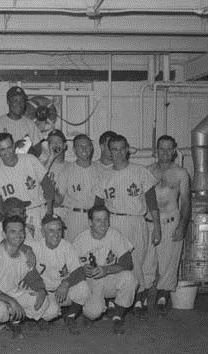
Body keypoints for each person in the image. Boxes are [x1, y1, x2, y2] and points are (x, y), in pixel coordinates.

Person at [93, 135, 161, 319]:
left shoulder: (140, 171)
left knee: (136, 259)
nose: (118, 153)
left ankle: (138, 298)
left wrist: (157, 226)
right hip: (112, 221)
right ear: (109, 151)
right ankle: (115, 300)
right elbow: (98, 204)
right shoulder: (104, 175)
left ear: (127, 149)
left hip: (135, 220)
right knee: (112, 260)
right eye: (114, 149)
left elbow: (152, 202)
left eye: (122, 148)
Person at [142, 135, 191, 316]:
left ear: (174, 151)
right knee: (147, 261)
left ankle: (163, 295)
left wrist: (182, 226)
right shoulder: (147, 171)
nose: (165, 152)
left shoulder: (181, 173)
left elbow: (186, 202)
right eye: (161, 148)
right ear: (156, 150)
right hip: (149, 222)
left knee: (169, 262)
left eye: (169, 149)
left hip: (171, 221)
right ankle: (144, 294)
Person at [73, 205, 138, 335]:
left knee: (130, 278)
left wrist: (107, 269)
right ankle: (89, 312)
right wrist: (82, 270)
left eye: (105, 219)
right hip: (91, 282)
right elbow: (71, 270)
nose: (103, 224)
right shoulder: (80, 240)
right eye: (98, 220)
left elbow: (128, 263)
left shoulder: (114, 234)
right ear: (90, 222)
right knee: (93, 312)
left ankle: (117, 317)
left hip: (109, 278)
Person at [0, 216, 51, 339]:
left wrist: (41, 290)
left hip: (12, 294)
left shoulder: (25, 255)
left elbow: (34, 278)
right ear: (4, 234)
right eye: (12, 231)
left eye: (21, 231)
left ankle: (14, 321)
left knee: (44, 302)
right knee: (0, 311)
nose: (18, 235)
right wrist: (12, 301)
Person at [0, 132, 55, 241]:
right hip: (15, 217)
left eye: (9, 147)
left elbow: (48, 186)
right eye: (2, 149)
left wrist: (49, 212)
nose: (7, 152)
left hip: (39, 211)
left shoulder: (30, 159)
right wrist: (11, 223)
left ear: (14, 146)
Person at [30, 214, 91, 334]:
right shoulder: (35, 247)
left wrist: (66, 283)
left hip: (63, 291)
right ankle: (41, 319)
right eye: (51, 230)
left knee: (83, 288)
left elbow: (79, 271)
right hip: (45, 292)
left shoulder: (67, 246)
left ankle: (70, 316)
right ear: (43, 232)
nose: (56, 234)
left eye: (59, 230)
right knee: (51, 313)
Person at [55, 134, 104, 241]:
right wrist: (50, 189)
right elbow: (58, 201)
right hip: (75, 218)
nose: (84, 149)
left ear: (91, 148)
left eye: (87, 146)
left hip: (96, 218)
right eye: (80, 146)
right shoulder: (66, 170)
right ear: (74, 149)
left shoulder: (100, 170)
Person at [0, 86, 43, 157]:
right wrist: (14, 147)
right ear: (8, 102)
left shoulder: (30, 124)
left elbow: (38, 152)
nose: (19, 104)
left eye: (22, 101)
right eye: (15, 100)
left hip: (25, 166)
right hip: (4, 166)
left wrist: (28, 149)